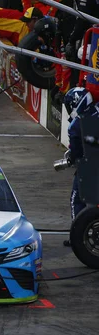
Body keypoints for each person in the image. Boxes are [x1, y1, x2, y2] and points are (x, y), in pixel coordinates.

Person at [62, 87, 99, 246]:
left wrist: (73, 156)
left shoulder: (76, 125)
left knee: (76, 198)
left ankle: (77, 237)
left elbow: (76, 152)